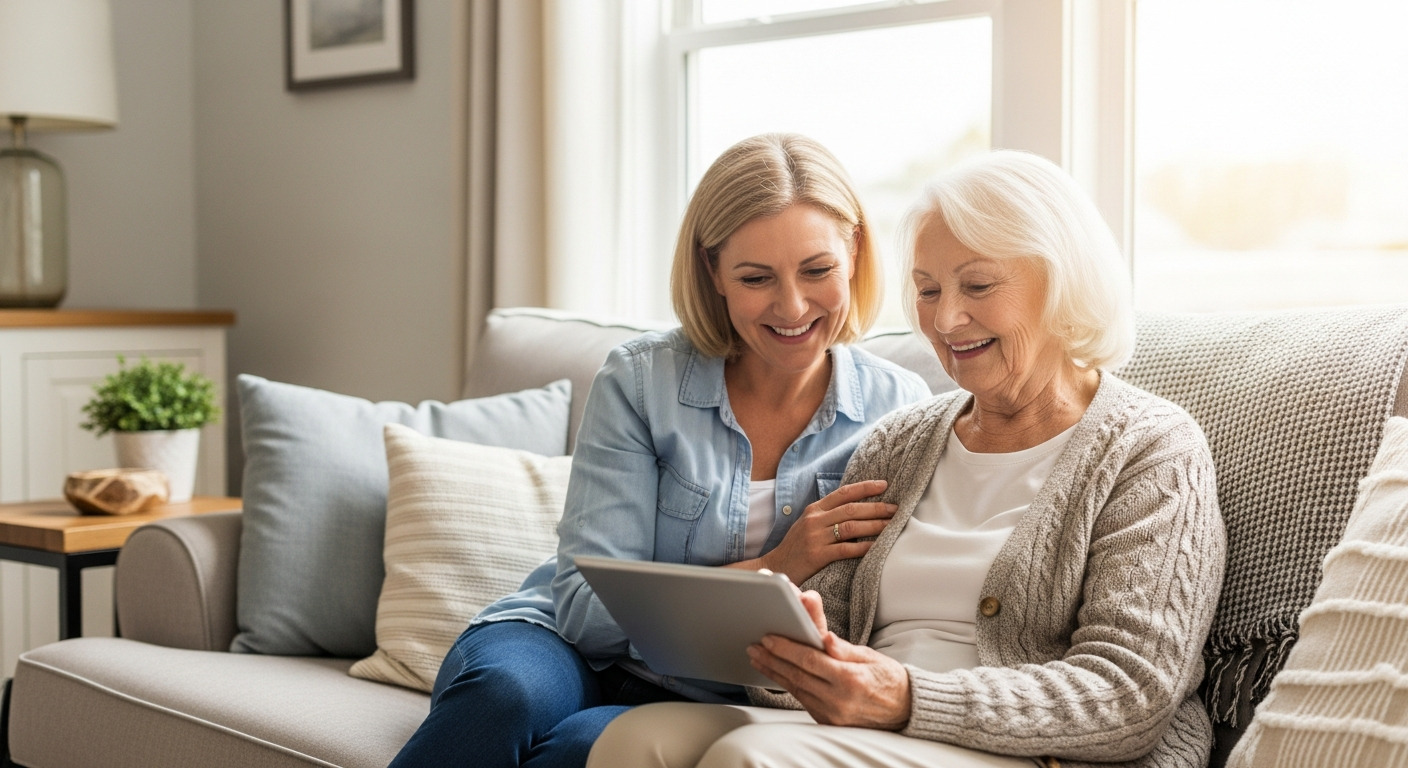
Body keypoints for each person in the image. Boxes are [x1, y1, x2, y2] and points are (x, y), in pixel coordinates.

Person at [588, 150, 1227, 768]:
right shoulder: (902, 438)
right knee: (634, 740)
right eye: (927, 290)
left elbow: (1132, 689)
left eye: (977, 284)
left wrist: (906, 698)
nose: (946, 319)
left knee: (748, 757)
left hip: (1028, 745)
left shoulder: (1150, 448)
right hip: (865, 726)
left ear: (1062, 283)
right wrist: (805, 650)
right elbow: (823, 633)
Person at [387, 133, 931, 768]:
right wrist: (777, 565)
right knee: (504, 697)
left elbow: (891, 621)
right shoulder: (642, 381)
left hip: (716, 696)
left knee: (583, 750)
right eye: (756, 278)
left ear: (855, 252)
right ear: (713, 272)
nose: (793, 306)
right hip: (558, 643)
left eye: (818, 270)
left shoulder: (900, 408)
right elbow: (588, 615)